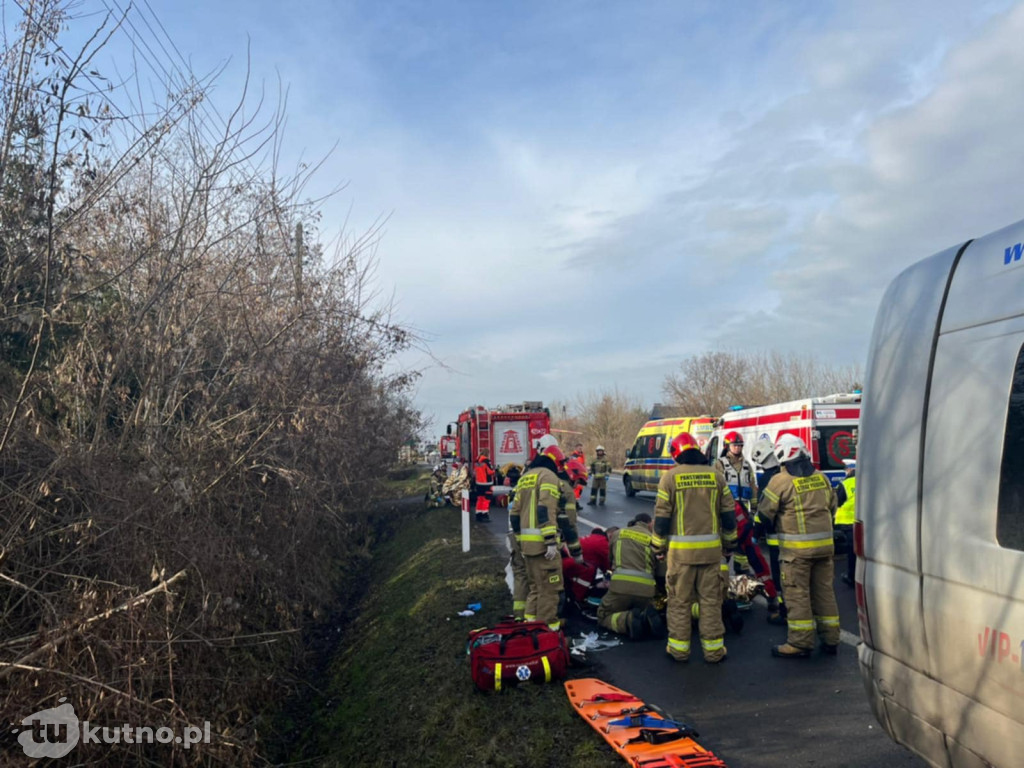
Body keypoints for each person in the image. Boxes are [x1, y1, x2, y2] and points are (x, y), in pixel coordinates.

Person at [653, 432, 738, 663]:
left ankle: (679, 650)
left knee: (680, 602)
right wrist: (730, 545)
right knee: (711, 602)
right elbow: (729, 515)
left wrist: (658, 548)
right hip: (711, 554)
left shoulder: (670, 478)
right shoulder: (716, 476)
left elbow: (661, 517)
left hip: (680, 556)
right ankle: (714, 651)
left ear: (676, 454)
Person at [758, 434, 840, 658]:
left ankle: (801, 643)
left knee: (797, 594)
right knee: (824, 593)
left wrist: (757, 530)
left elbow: (764, 515)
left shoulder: (781, 481)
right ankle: (831, 639)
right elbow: (833, 507)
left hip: (796, 552)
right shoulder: (821, 477)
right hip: (825, 548)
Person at [510, 438, 583, 630]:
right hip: (544, 546)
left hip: (527, 546)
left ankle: (530, 625)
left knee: (535, 588)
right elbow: (545, 509)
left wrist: (519, 541)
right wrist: (551, 541)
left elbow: (514, 513)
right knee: (550, 589)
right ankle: (547, 631)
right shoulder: (548, 477)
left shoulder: (525, 477)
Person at [598, 514, 663, 639]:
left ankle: (627, 620)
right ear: (649, 524)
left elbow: (610, 561)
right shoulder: (654, 540)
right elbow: (660, 571)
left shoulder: (618, 534)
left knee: (603, 615)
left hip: (620, 589)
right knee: (642, 606)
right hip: (646, 591)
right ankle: (645, 616)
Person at [751, 438, 786, 625]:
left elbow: (763, 512)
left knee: (780, 576)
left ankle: (783, 610)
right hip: (792, 535)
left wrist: (755, 534)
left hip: (775, 538)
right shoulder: (786, 474)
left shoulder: (766, 480)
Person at [715, 432, 759, 576]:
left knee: (743, 543)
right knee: (727, 541)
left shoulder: (747, 465)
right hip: (728, 510)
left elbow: (753, 488)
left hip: (744, 511)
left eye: (740, 446)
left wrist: (753, 510)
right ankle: (720, 574)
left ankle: (742, 573)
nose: (738, 448)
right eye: (735, 445)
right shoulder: (720, 464)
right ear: (727, 446)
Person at [562, 528, 611, 609]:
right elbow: (609, 564)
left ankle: (574, 596)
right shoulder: (603, 543)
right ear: (611, 536)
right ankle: (577, 599)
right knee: (589, 570)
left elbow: (603, 564)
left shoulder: (595, 538)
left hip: (563, 562)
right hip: (568, 563)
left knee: (589, 567)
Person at [835, 459, 857, 587]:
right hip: (863, 521)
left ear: (850, 469)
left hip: (848, 523)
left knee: (852, 552)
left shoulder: (846, 483)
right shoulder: (866, 481)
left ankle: (851, 576)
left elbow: (837, 501)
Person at [474, 451, 495, 522]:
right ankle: (485, 515)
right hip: (487, 484)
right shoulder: (486, 461)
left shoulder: (477, 462)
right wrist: (494, 470)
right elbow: (490, 472)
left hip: (478, 483)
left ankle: (478, 514)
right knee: (486, 499)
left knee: (480, 499)